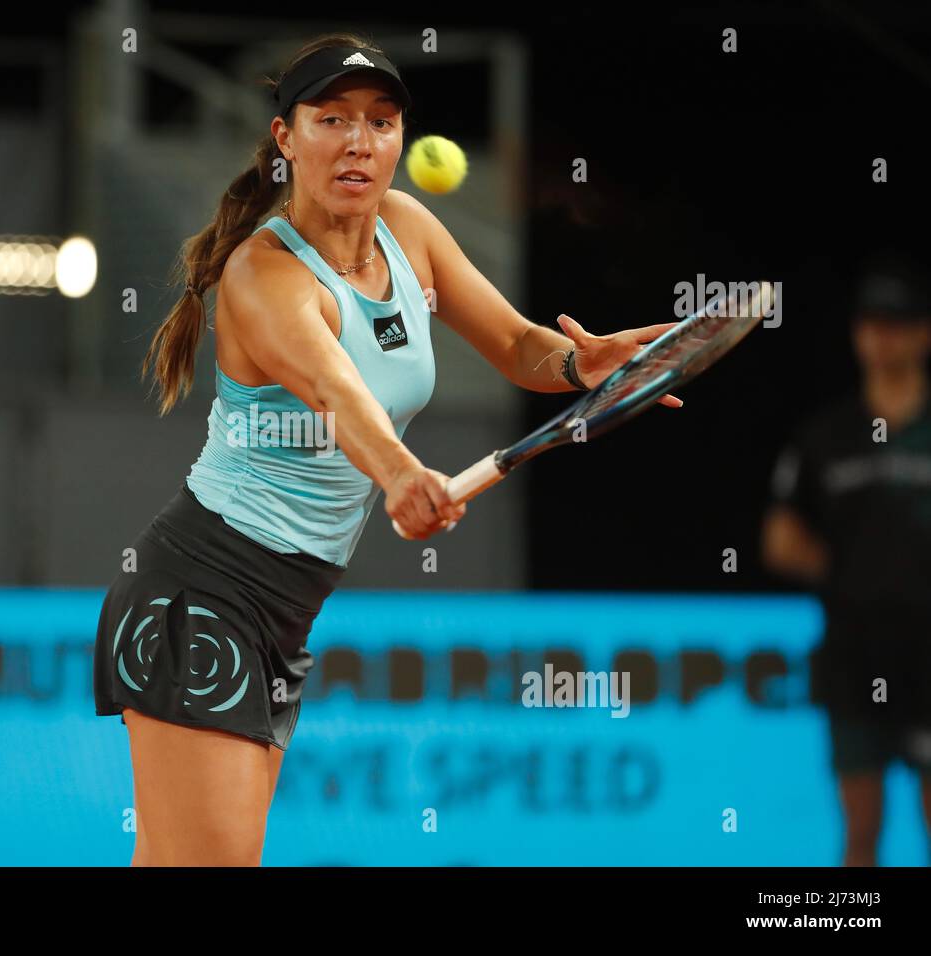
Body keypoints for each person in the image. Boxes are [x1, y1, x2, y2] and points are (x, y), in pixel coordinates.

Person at [93, 32, 682, 867]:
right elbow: (339, 396)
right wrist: (403, 474)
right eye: (331, 118)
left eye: (380, 121)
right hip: (204, 592)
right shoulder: (264, 276)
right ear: (284, 139)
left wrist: (578, 364)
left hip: (283, 609)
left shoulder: (408, 226)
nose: (358, 141)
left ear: (401, 141)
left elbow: (517, 345)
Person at [762, 252, 931, 866]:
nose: (880, 337)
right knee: (861, 830)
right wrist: (859, 576)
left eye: (896, 323)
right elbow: (781, 539)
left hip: (928, 654)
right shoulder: (825, 436)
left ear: (923, 332)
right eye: (870, 323)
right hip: (855, 653)